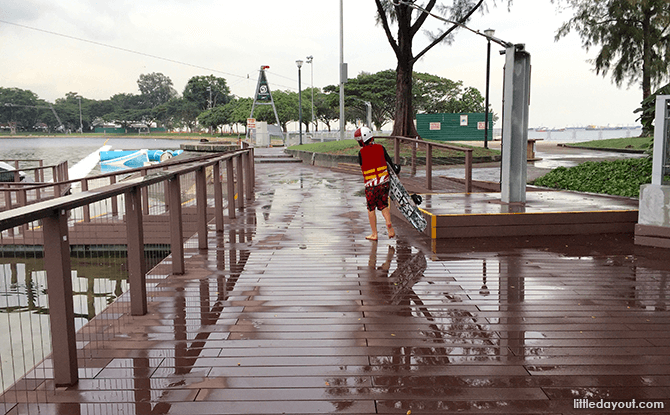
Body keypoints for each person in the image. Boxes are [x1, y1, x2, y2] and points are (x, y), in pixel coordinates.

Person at [354, 126, 395, 241]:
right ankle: (388, 223)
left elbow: (362, 165)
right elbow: (389, 163)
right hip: (384, 183)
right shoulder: (381, 148)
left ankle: (374, 234)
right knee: (383, 205)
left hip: (371, 186)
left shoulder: (361, 152)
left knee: (371, 208)